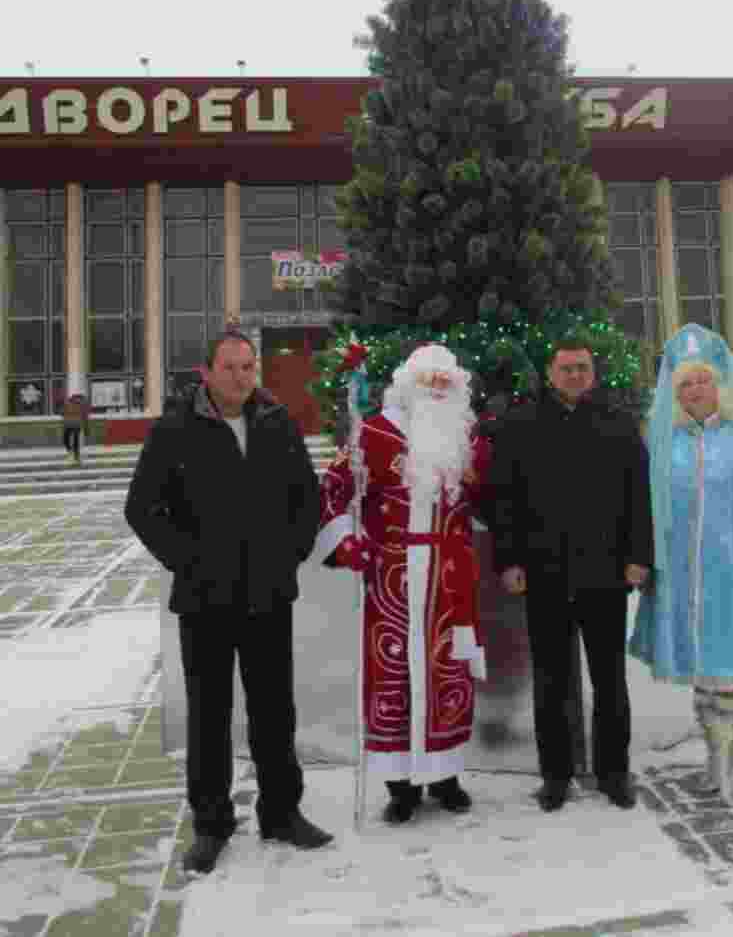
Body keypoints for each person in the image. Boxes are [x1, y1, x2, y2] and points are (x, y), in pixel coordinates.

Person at [124, 331, 332, 874]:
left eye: (248, 366)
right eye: (231, 367)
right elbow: (142, 508)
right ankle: (212, 824)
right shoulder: (175, 430)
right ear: (208, 371)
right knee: (209, 717)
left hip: (268, 595)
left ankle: (282, 812)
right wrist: (187, 560)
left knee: (273, 711)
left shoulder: (277, 424)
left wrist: (289, 553)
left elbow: (305, 499)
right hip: (204, 600)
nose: (242, 376)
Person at [316, 343, 492, 824]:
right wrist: (347, 542)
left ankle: (446, 774)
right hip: (391, 572)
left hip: (449, 575)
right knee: (393, 673)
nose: (437, 388)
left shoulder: (469, 438)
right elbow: (333, 490)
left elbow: (492, 496)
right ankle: (400, 786)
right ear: (407, 385)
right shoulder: (372, 432)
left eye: (445, 381)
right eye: (428, 380)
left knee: (446, 673)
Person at [489, 339, 653, 812]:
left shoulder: (618, 424)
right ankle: (555, 775)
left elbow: (638, 496)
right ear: (550, 372)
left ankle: (613, 771)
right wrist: (510, 561)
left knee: (609, 680)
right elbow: (504, 502)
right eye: (566, 368)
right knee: (551, 681)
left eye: (583, 368)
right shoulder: (520, 426)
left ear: (593, 373)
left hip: (606, 573)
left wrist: (638, 555)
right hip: (544, 575)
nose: (575, 375)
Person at [630, 325, 733, 806]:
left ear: (718, 384)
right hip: (678, 576)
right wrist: (648, 563)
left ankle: (731, 768)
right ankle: (712, 763)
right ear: (675, 393)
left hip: (731, 574)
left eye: (702, 380)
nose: (695, 390)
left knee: (728, 671)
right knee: (701, 675)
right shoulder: (663, 443)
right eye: (685, 384)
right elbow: (645, 507)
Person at [62, 391, 89, 465]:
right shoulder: (82, 404)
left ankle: (73, 454)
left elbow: (63, 413)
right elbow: (85, 417)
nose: (77, 399)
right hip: (75, 424)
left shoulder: (70, 403)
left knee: (68, 440)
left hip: (71, 424)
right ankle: (75, 455)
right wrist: (86, 428)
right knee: (74, 441)